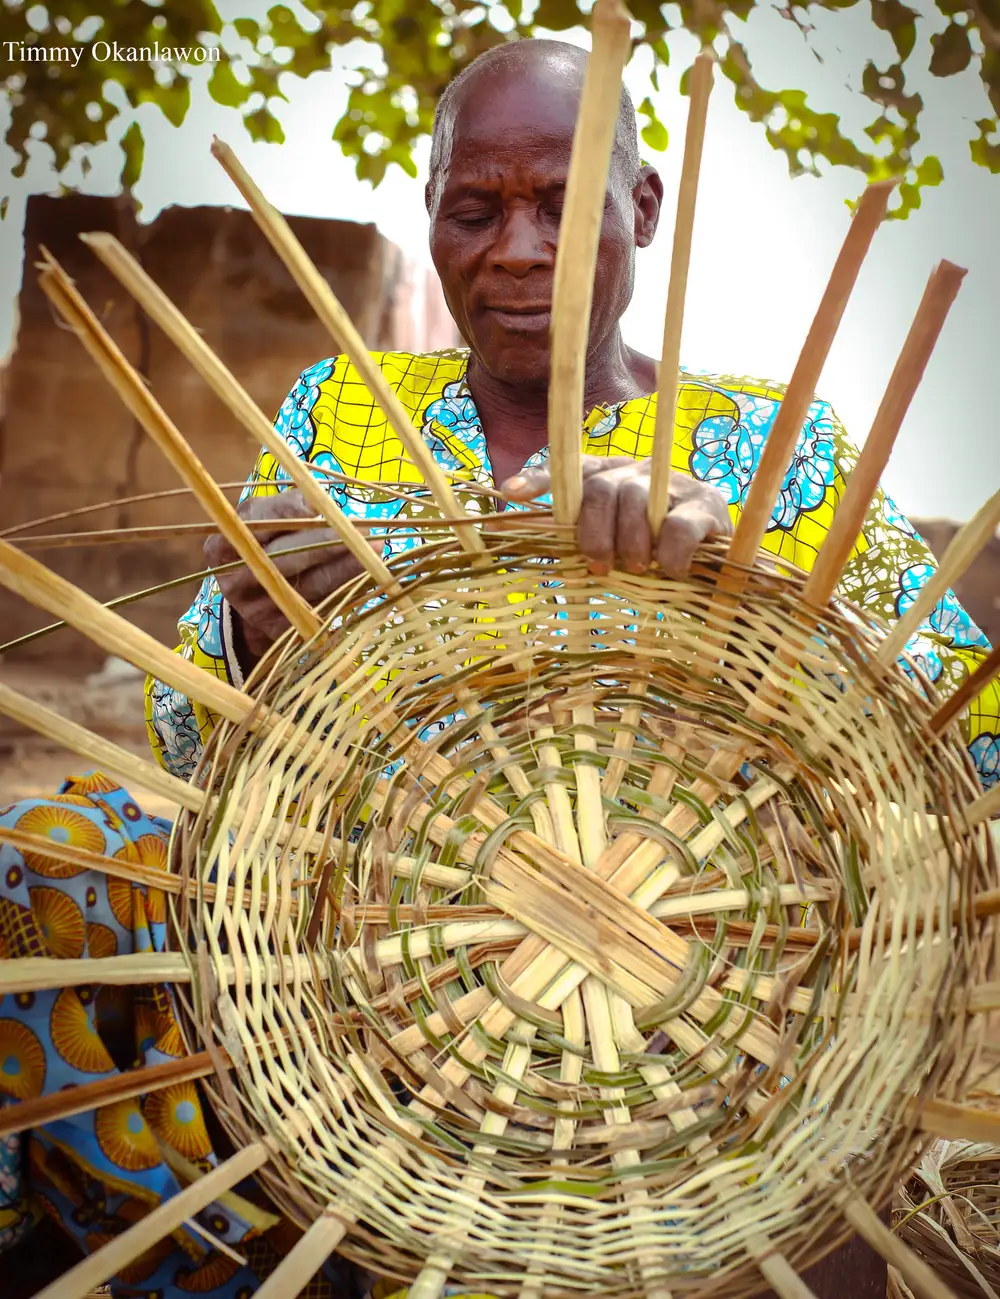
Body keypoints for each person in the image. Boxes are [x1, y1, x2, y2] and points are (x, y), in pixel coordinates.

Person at [1, 37, 996, 1299]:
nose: (518, 251)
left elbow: (968, 741)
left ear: (641, 208)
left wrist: (756, 588)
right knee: (39, 861)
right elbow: (198, 752)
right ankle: (251, 1233)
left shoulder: (767, 442)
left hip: (679, 998)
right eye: (475, 210)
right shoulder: (339, 414)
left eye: (564, 207)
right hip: (344, 965)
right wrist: (255, 635)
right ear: (429, 218)